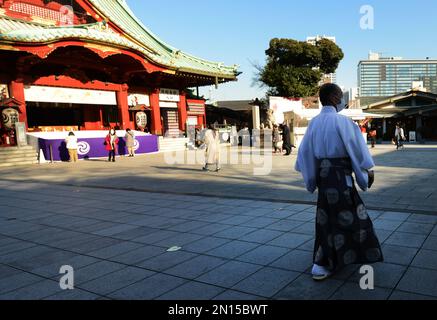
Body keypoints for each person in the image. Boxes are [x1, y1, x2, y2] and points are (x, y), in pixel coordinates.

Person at [295, 83, 383, 281]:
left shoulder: (314, 123)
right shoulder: (344, 122)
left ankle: (324, 260)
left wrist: (311, 180)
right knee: (351, 217)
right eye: (340, 96)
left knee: (326, 220)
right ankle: (330, 261)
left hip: (325, 180)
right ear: (335, 98)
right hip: (342, 180)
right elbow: (358, 152)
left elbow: (306, 155)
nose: (342, 99)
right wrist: (366, 173)